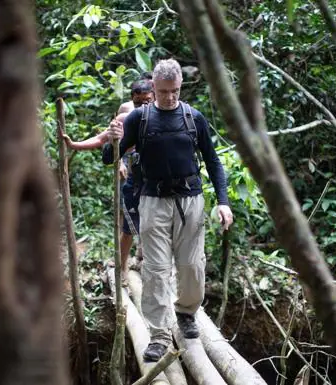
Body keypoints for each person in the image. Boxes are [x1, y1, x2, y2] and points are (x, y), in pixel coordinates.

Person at [104, 58, 233, 362]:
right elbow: (109, 158)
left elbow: (213, 161)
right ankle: (160, 335)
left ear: (180, 87)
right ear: (154, 87)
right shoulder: (140, 119)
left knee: (191, 265)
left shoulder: (193, 118)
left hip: (191, 199)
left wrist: (223, 201)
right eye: (163, 92)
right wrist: (114, 139)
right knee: (157, 269)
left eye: (174, 91)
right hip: (152, 200)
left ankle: (186, 312)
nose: (169, 97)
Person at [63, 79, 154, 281]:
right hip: (134, 178)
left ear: (155, 98)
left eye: (148, 101)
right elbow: (101, 140)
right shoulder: (125, 118)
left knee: (153, 227)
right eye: (139, 102)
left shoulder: (164, 117)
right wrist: (74, 144)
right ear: (132, 100)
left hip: (157, 183)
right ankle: (122, 268)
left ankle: (148, 264)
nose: (143, 106)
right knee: (129, 226)